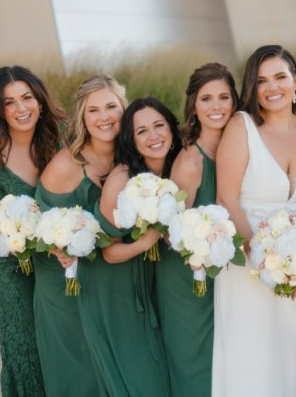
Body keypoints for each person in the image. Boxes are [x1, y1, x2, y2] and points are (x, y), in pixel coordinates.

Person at [213, 45, 296, 397]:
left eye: (280, 77)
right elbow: (227, 198)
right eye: (261, 80)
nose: (272, 87)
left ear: (295, 80)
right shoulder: (242, 126)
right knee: (250, 359)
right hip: (248, 267)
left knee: (293, 358)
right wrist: (262, 258)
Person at [0, 65, 63, 396]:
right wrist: (6, 235)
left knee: (60, 335)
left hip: (56, 255)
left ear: (40, 100)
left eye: (26, 98)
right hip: (7, 262)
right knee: (25, 343)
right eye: (9, 102)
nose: (21, 109)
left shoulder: (61, 141)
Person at [32, 74, 125, 396]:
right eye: (93, 110)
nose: (104, 117)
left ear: (124, 108)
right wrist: (55, 245)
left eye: (111, 106)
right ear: (83, 118)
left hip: (109, 280)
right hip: (65, 284)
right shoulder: (67, 164)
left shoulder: (131, 155)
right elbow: (41, 223)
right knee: (79, 370)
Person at [156, 62, 238, 396]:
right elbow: (170, 228)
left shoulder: (238, 149)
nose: (216, 107)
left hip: (227, 276)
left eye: (223, 97)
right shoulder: (191, 160)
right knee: (195, 361)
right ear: (193, 106)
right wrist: (198, 252)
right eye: (206, 99)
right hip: (189, 277)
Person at [94, 97, 181, 395]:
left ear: (171, 128)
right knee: (141, 380)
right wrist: (145, 243)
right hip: (119, 290)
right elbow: (108, 251)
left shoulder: (177, 166)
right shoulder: (121, 177)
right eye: (142, 131)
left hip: (158, 286)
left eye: (159, 126)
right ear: (131, 139)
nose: (153, 136)